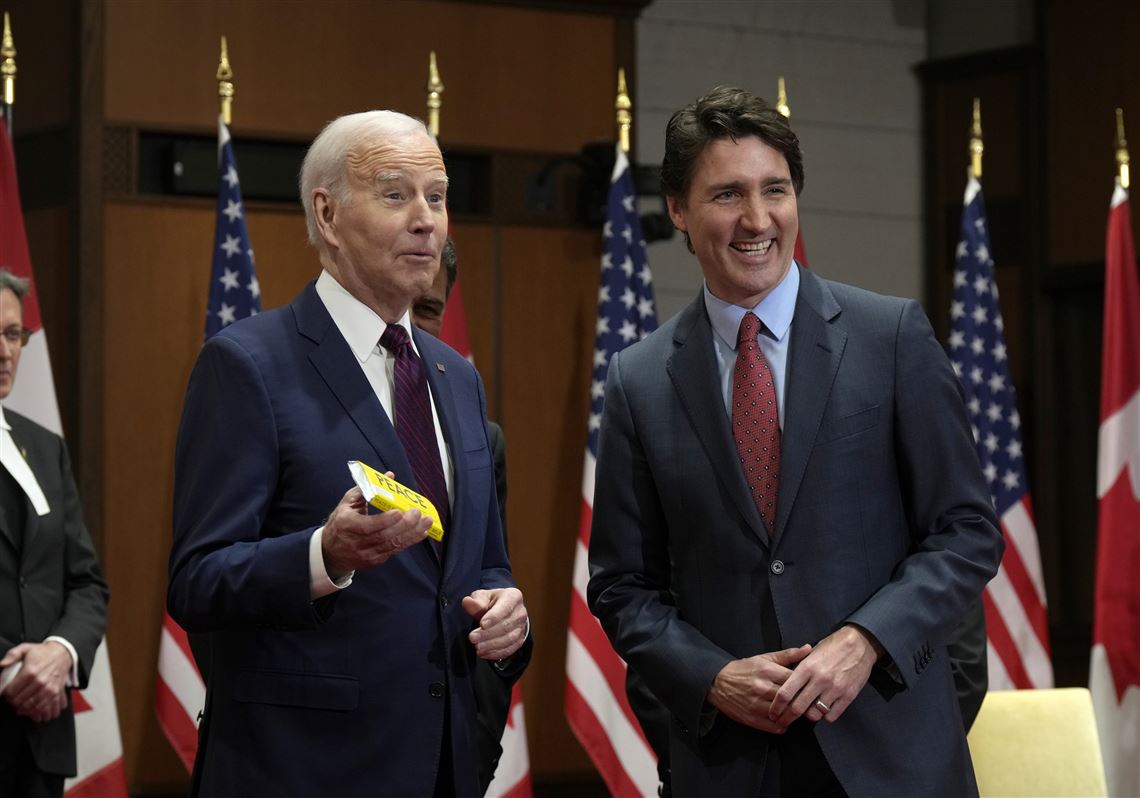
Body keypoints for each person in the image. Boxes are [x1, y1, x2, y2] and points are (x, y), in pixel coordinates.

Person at [587, 86, 1004, 797]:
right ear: (680, 212)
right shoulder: (639, 379)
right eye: (727, 195)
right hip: (731, 765)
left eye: (774, 190)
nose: (757, 219)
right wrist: (712, 677)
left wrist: (864, 640)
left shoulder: (891, 338)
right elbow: (624, 588)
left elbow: (965, 532)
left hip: (892, 756)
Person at [168, 111, 530, 798]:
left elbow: (478, 566)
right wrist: (324, 556)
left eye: (438, 196)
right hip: (303, 770)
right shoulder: (247, 365)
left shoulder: (457, 377)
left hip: (445, 766)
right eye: (396, 195)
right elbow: (197, 581)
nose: (426, 220)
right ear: (327, 214)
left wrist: (511, 616)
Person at [0, 269, 109, 798]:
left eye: (13, 334)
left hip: (40, 740)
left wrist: (60, 651)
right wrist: (14, 673)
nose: (5, 352)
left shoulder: (43, 448)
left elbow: (86, 582)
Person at [412, 236, 515, 794]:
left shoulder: (480, 435)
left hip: (453, 761)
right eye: (398, 304)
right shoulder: (290, 400)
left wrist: (480, 738)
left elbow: (491, 581)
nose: (408, 324)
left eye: (427, 310)